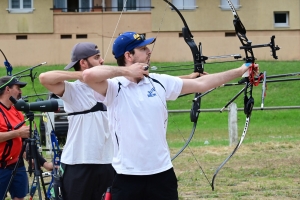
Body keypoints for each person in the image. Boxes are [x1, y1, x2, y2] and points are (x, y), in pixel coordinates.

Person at [82, 31, 259, 200]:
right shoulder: (113, 87)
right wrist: (126, 72)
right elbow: (88, 75)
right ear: (129, 56)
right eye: (143, 49)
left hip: (162, 174)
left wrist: (240, 70)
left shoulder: (158, 81)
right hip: (127, 176)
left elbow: (202, 83)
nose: (149, 51)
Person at [38, 42, 116, 200]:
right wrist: (84, 75)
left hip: (108, 161)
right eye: (96, 57)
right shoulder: (74, 90)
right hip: (79, 163)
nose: (102, 60)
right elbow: (44, 78)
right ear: (83, 63)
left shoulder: (111, 88)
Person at [0, 76, 30, 200]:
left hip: (18, 165)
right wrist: (17, 133)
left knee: (19, 197)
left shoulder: (17, 111)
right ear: (8, 89)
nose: (21, 92)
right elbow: (19, 133)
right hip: (1, 167)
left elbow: (23, 140)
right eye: (18, 88)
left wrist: (35, 160)